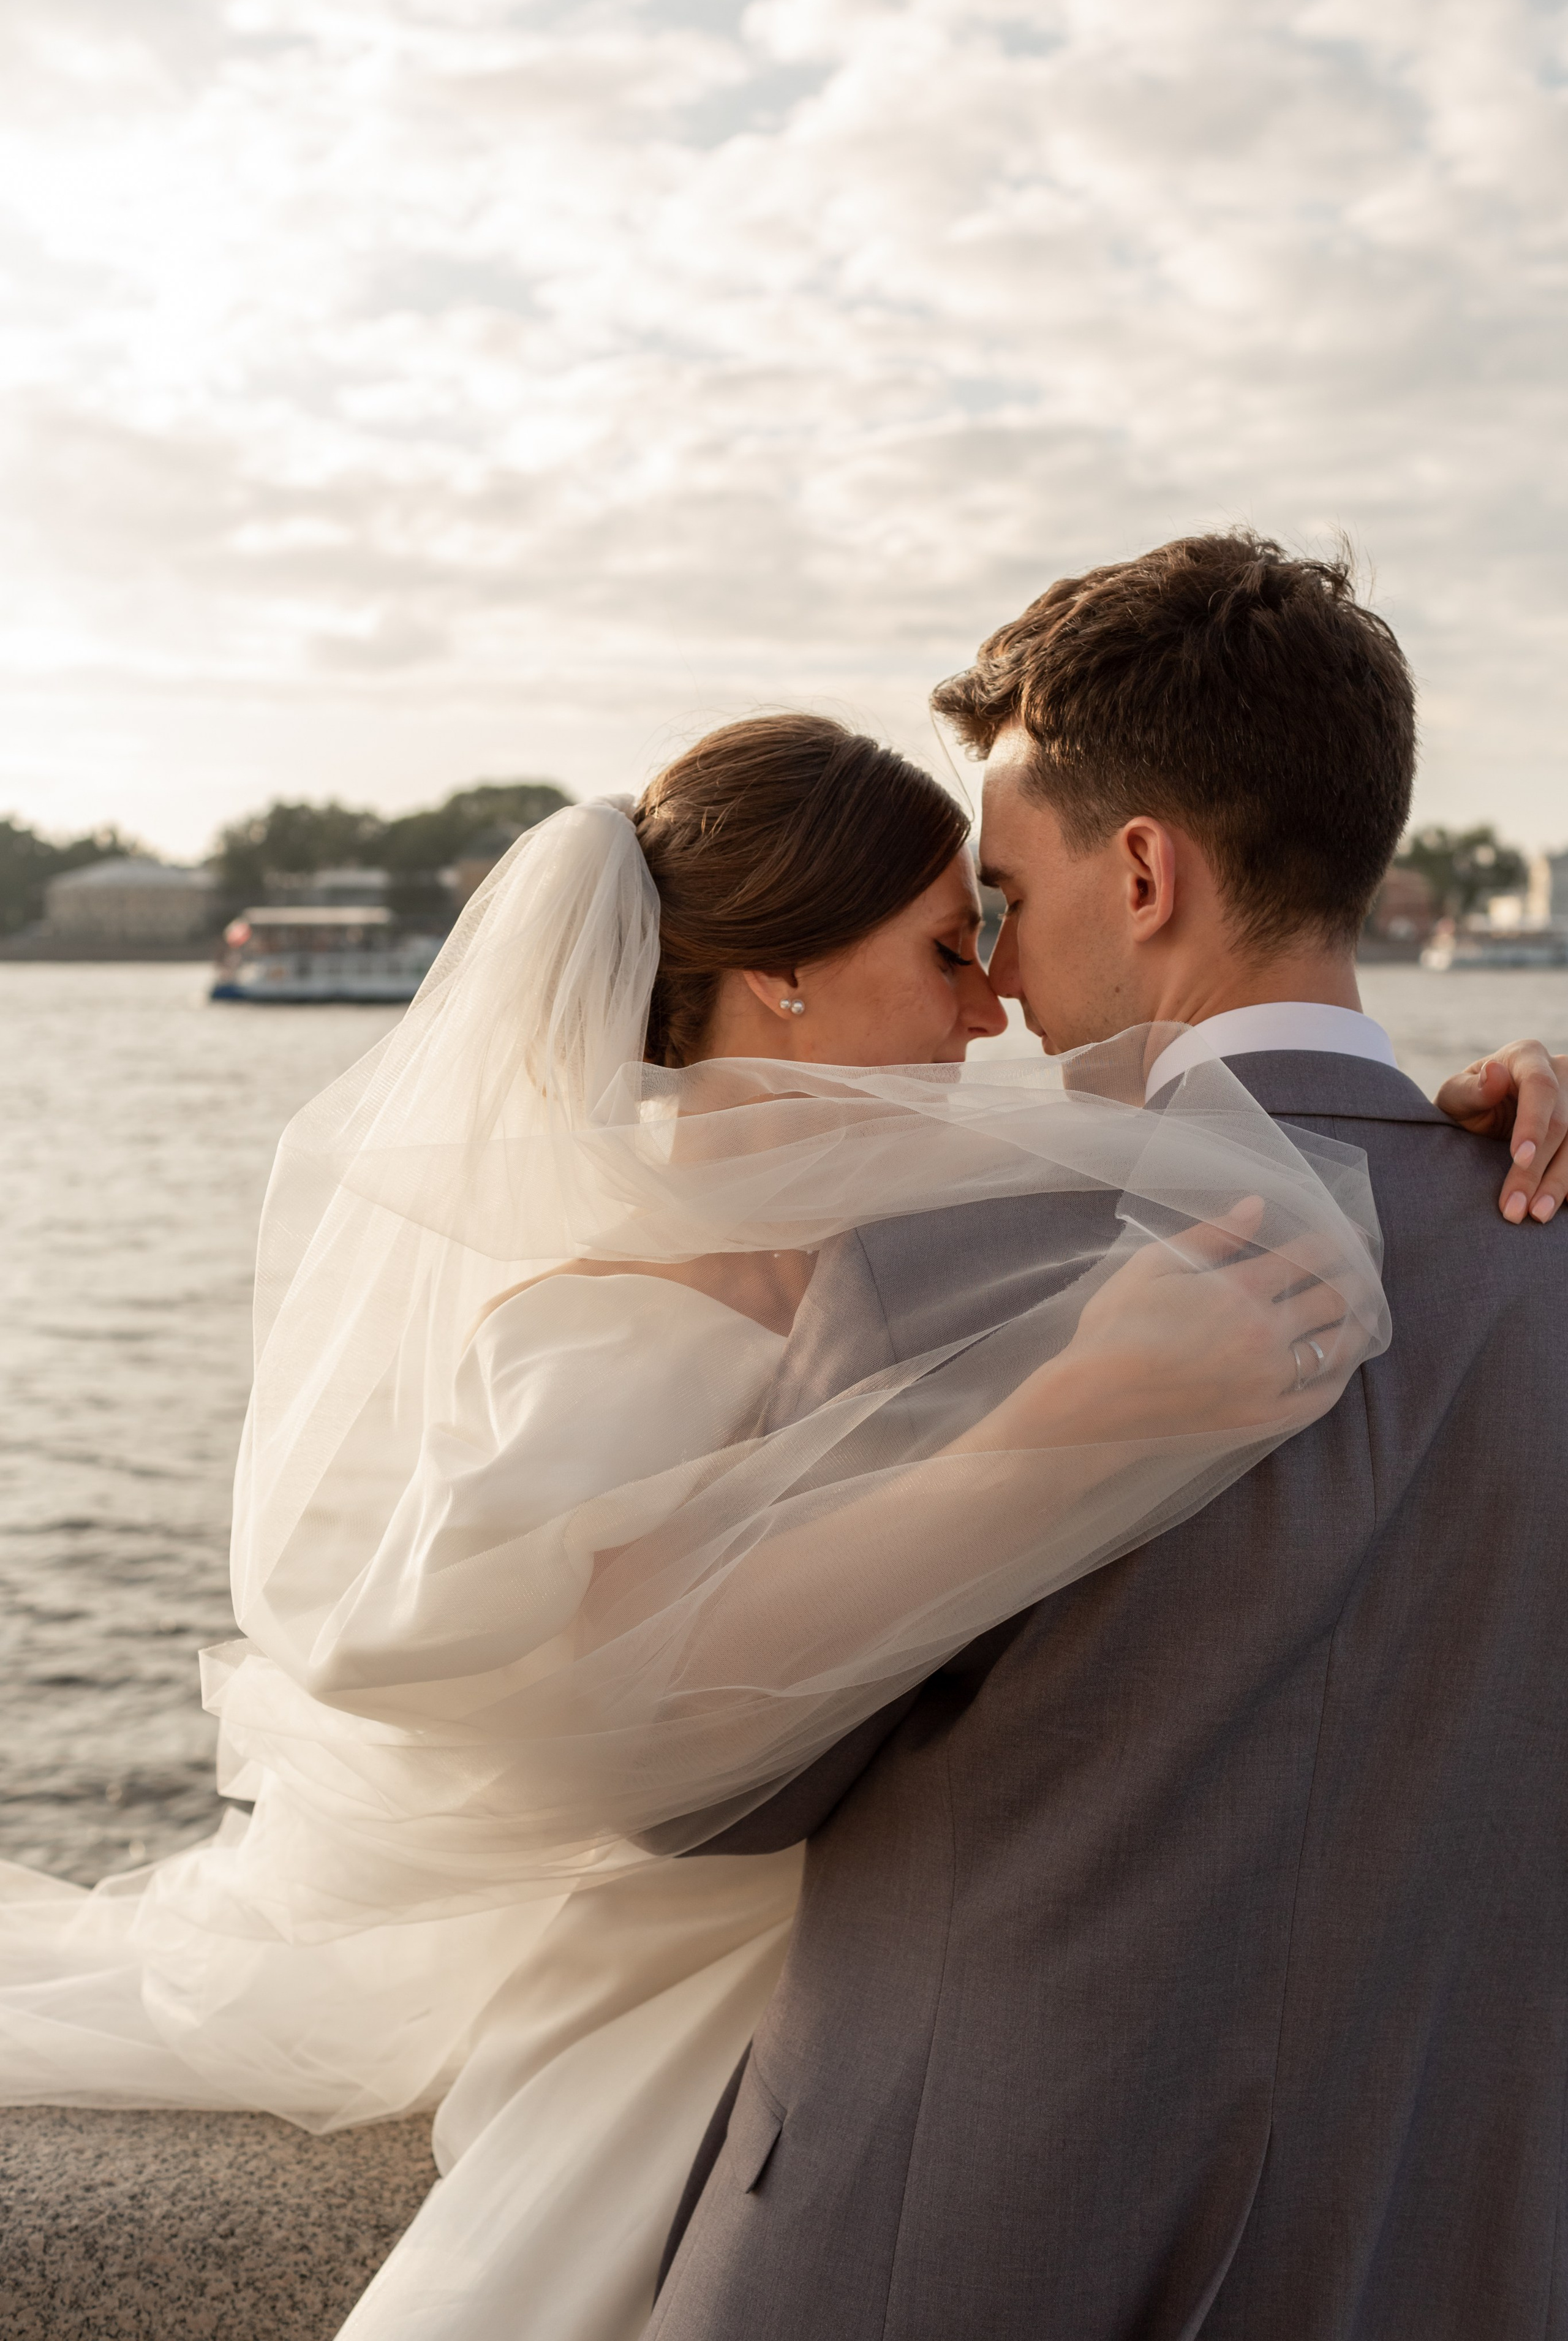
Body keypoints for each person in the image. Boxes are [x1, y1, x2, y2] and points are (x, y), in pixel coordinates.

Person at [0, 701, 1557, 2341]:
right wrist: (1052, 1424)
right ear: (786, 977)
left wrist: (1486, 1104)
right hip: (726, 1953)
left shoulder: (927, 1216)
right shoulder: (614, 1317)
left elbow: (1255, 1140)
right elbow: (586, 1724)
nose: (992, 1006)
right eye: (952, 947)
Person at [647, 536, 1568, 2341]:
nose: (999, 974)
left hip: (930, 2265)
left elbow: (715, 1783)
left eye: (1002, 893)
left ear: (1142, 871)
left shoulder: (942, 1252)